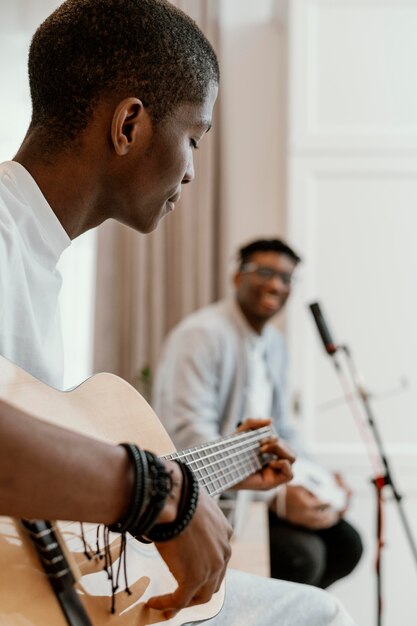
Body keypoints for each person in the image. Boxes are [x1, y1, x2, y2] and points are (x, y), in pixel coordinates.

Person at [0, 1, 357, 624]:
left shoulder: (35, 255)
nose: (191, 171)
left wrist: (203, 474)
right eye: (194, 137)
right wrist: (160, 493)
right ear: (129, 124)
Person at [153, 237, 363, 588]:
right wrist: (276, 497)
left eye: (286, 278)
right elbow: (190, 435)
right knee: (302, 557)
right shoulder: (200, 336)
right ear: (238, 276)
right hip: (215, 497)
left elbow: (283, 430)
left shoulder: (275, 345)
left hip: (261, 489)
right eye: (264, 272)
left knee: (347, 545)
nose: (275, 284)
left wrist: (323, 481)